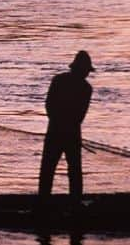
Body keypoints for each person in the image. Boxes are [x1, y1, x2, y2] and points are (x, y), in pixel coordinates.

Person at [38, 51, 94, 200]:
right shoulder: (85, 88)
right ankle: (74, 203)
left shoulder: (59, 80)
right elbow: (80, 115)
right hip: (72, 133)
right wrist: (67, 125)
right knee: (74, 171)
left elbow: (49, 106)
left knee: (48, 169)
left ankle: (43, 202)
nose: (87, 74)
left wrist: (58, 122)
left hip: (56, 131)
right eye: (86, 71)